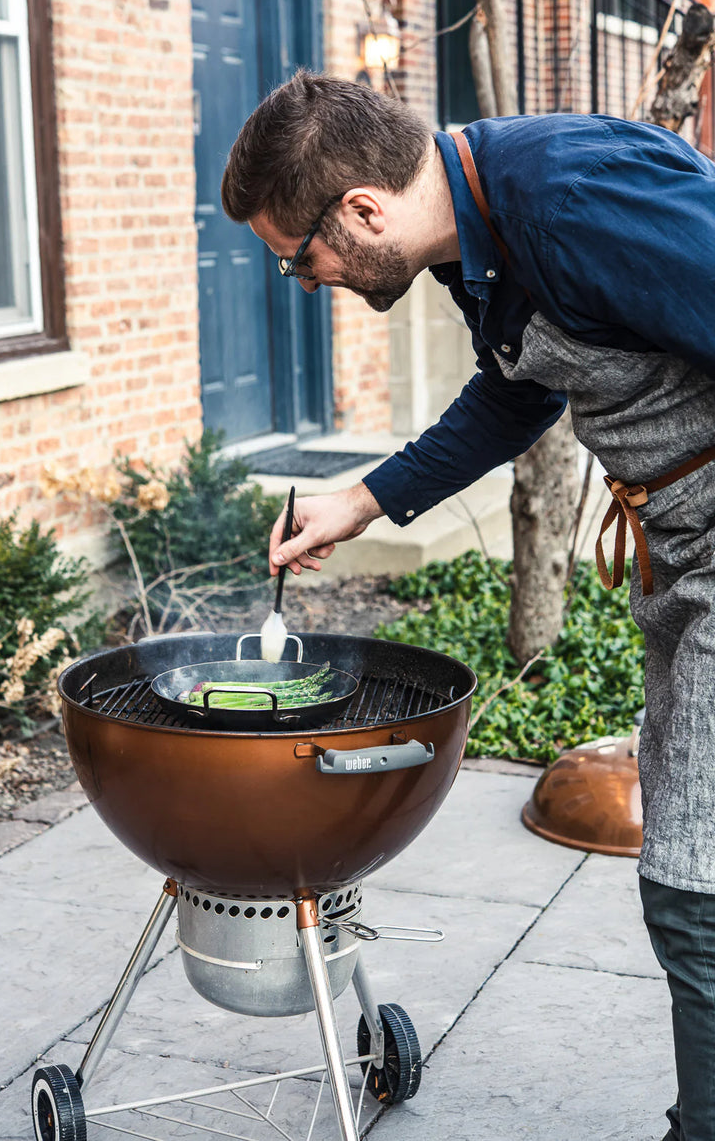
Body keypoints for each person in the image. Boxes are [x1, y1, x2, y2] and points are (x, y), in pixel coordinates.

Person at [220, 69, 715, 1141]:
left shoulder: (569, 198)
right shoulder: (476, 228)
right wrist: (364, 498)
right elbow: (520, 385)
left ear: (358, 210)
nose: (302, 282)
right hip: (678, 556)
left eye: (295, 256)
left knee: (692, 876)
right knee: (692, 854)